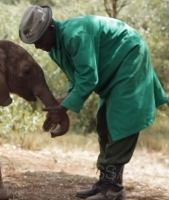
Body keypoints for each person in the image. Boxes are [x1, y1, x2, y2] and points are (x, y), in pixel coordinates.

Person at [18, 5, 168, 200]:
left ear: (51, 28)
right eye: (33, 42)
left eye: (38, 40)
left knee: (121, 121)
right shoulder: (55, 49)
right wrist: (67, 99)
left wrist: (63, 109)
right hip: (113, 69)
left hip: (129, 56)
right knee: (104, 124)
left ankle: (113, 189)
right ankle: (105, 183)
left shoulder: (75, 35)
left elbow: (89, 78)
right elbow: (76, 77)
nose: (37, 46)